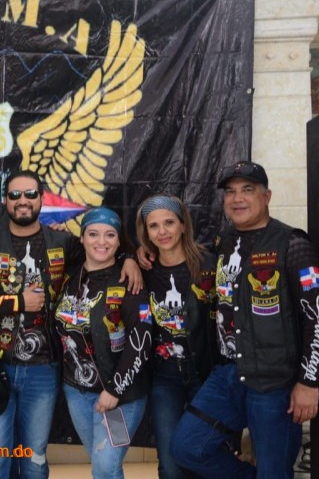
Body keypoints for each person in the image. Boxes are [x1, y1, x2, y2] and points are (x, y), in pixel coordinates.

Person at [0, 170, 142, 478]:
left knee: (34, 460)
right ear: (5, 200)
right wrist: (17, 302)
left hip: (43, 371)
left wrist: (129, 257)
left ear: (42, 199)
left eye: (30, 194)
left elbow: (101, 247)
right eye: (15, 195)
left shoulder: (62, 241)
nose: (23, 200)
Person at [171, 161, 319, 478]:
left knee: (274, 471)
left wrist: (309, 382)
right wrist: (134, 258)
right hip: (228, 375)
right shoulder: (224, 242)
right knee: (187, 448)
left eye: (247, 189)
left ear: (266, 196)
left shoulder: (293, 244)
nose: (237, 198)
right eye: (230, 192)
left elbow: (318, 318)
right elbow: (179, 256)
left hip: (274, 383)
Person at [54, 207, 152, 479]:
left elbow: (141, 341)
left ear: (119, 242)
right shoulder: (70, 276)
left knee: (106, 466)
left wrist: (115, 389)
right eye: (93, 234)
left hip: (121, 396)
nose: (101, 241)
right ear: (82, 238)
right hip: (76, 391)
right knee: (102, 464)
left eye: (110, 235)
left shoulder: (129, 280)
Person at [135, 195, 217, 479]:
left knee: (205, 455)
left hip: (206, 374)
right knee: (169, 465)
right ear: (146, 233)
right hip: (165, 377)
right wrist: (128, 259)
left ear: (183, 225)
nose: (162, 231)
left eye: (169, 222)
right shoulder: (143, 271)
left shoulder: (210, 264)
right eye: (153, 226)